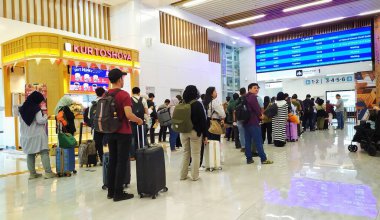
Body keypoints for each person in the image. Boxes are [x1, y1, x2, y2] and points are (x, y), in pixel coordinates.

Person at [106, 69, 143, 202]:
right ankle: (118, 193)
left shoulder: (106, 94)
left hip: (110, 132)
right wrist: (139, 120)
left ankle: (111, 191)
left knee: (113, 161)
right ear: (120, 79)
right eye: (123, 78)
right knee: (122, 162)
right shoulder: (124, 95)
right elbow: (128, 114)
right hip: (123, 132)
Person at [19, 91, 56, 179]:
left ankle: (32, 174)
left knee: (30, 154)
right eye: (40, 101)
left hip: (25, 135)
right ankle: (48, 172)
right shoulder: (36, 108)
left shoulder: (22, 108)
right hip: (37, 134)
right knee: (44, 152)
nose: (40, 103)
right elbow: (40, 121)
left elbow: (22, 121)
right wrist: (46, 117)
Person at [180, 85, 208, 181]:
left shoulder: (182, 103)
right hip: (194, 132)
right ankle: (195, 176)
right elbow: (203, 121)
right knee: (195, 154)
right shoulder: (197, 104)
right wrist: (205, 135)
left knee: (185, 153)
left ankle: (183, 175)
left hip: (183, 132)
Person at [244, 83, 273, 164]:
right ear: (249, 89)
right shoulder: (253, 96)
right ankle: (263, 159)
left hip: (246, 122)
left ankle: (249, 159)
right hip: (253, 121)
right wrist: (261, 116)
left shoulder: (245, 97)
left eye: (257, 88)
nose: (256, 89)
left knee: (248, 141)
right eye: (254, 88)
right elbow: (256, 108)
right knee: (258, 141)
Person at [203, 87, 226, 160]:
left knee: (209, 141)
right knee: (215, 142)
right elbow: (223, 114)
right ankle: (215, 160)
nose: (216, 92)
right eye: (215, 91)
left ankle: (209, 160)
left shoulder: (205, 102)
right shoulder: (214, 102)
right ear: (211, 94)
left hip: (207, 123)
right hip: (214, 123)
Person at [130, 87, 148, 160]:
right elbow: (146, 111)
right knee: (142, 138)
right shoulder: (143, 99)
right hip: (141, 121)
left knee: (132, 138)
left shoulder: (129, 99)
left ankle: (132, 156)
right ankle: (142, 154)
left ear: (132, 92)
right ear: (139, 92)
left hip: (132, 121)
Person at [90, 87, 106, 165]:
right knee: (110, 142)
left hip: (96, 126)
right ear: (103, 93)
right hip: (106, 126)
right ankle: (109, 159)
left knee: (98, 143)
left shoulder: (92, 103)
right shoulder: (106, 102)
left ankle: (98, 160)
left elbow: (89, 117)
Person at [236, 88, 247, 152]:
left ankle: (243, 147)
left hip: (239, 119)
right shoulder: (247, 98)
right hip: (247, 119)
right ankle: (248, 146)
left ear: (240, 93)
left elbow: (235, 110)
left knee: (241, 133)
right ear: (245, 92)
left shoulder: (238, 100)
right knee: (248, 133)